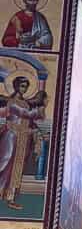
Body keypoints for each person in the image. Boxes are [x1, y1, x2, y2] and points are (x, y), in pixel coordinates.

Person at [0, 76, 47, 210]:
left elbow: (30, 121)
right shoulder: (12, 101)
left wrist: (37, 132)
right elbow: (24, 114)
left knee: (17, 169)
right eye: (22, 86)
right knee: (4, 163)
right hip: (11, 136)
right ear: (16, 86)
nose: (24, 89)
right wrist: (39, 109)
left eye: (26, 86)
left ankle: (10, 198)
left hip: (22, 140)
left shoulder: (25, 103)